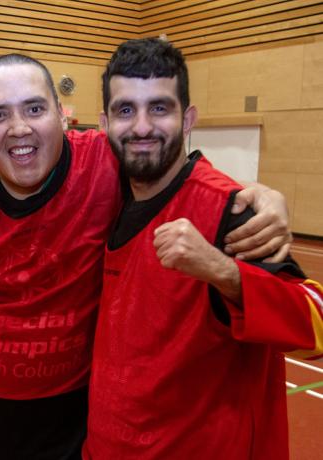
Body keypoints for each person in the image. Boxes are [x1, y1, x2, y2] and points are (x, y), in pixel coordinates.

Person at [0, 53, 292, 460]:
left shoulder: (104, 163)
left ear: (61, 114)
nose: (19, 128)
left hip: (79, 433)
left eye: (35, 108)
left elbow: (176, 177)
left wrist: (255, 195)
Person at [82, 38, 323, 460]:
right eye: (125, 110)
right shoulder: (110, 193)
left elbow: (317, 322)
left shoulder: (230, 210)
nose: (141, 127)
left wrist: (225, 273)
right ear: (104, 123)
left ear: (187, 117)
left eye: (159, 107)